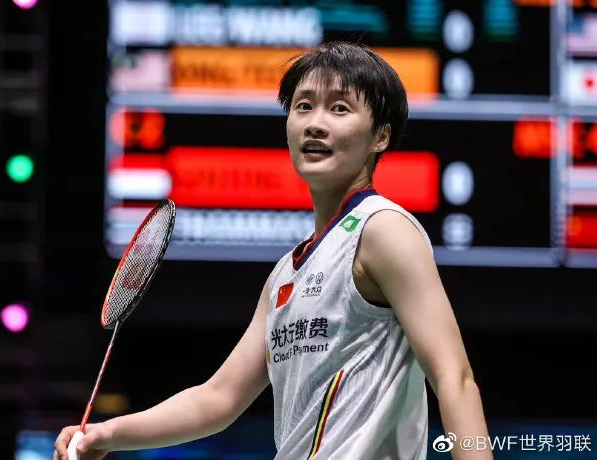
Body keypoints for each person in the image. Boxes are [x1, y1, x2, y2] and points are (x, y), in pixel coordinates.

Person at [54, 41, 491, 460]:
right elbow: (218, 398)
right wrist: (107, 434)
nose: (315, 123)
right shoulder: (285, 274)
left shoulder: (383, 229)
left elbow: (453, 377)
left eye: (340, 108)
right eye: (303, 106)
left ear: (381, 136)